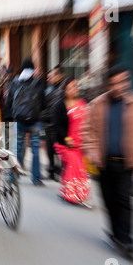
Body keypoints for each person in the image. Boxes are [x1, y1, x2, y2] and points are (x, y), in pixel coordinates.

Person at [84, 65, 133, 261]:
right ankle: (114, 235)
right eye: (113, 83)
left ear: (127, 82)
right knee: (109, 200)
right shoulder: (97, 104)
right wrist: (93, 150)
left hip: (126, 162)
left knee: (124, 200)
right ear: (108, 84)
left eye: (122, 82)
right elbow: (89, 132)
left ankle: (127, 240)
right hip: (104, 163)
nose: (118, 87)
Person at [8, 58, 46, 186]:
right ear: (33, 69)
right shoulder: (38, 83)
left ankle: (13, 176)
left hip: (18, 119)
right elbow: (43, 102)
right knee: (35, 149)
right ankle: (36, 178)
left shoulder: (15, 82)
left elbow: (9, 100)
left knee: (17, 148)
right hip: (35, 121)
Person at [53, 77, 90, 206]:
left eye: (75, 86)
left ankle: (72, 192)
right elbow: (57, 126)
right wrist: (66, 139)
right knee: (74, 166)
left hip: (81, 142)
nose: (74, 89)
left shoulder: (83, 102)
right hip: (66, 143)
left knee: (77, 168)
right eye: (70, 87)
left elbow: (88, 121)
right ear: (65, 90)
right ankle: (72, 195)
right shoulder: (59, 105)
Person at [42, 65, 65, 181]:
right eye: (49, 76)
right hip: (49, 124)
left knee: (59, 149)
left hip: (59, 124)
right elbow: (44, 107)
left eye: (52, 76)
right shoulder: (47, 90)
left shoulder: (63, 90)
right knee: (50, 149)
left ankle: (60, 171)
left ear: (60, 76)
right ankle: (51, 171)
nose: (50, 78)